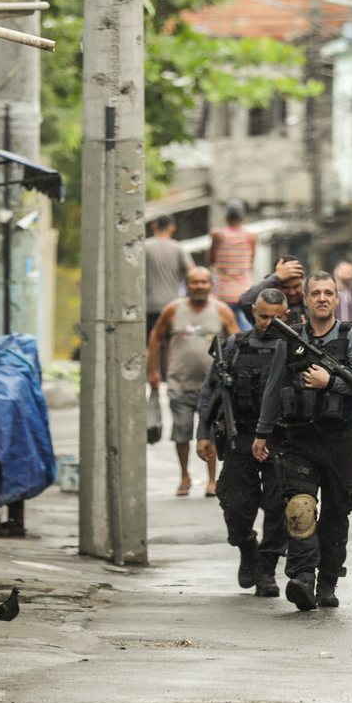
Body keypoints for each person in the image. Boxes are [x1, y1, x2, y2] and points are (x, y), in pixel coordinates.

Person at [252, 271, 352, 612]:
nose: (322, 298)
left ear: (337, 299)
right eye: (316, 293)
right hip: (298, 441)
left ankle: (328, 581)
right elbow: (274, 391)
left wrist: (330, 381)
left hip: (340, 441)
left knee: (337, 514)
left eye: (328, 293)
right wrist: (262, 435)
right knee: (300, 509)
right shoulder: (288, 340)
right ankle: (303, 578)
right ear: (304, 299)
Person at [196, 289, 292, 596]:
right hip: (240, 436)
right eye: (264, 316)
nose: (269, 322)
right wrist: (203, 433)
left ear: (287, 315)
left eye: (276, 317)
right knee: (235, 505)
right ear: (253, 312)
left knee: (278, 508)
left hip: (280, 439)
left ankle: (267, 570)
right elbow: (210, 393)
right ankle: (246, 545)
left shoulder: (293, 346)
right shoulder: (235, 346)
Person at [148, 266, 239, 497]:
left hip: (214, 387)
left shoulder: (222, 310)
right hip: (179, 383)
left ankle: (212, 480)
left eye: (204, 282)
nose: (200, 286)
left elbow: (237, 342)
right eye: (195, 282)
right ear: (186, 286)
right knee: (182, 433)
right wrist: (153, 372)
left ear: (211, 285)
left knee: (211, 434)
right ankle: (184, 476)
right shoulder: (172, 310)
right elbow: (155, 338)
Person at [145, 214, 192, 375]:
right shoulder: (178, 248)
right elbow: (192, 271)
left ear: (153, 226)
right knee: (170, 343)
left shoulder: (144, 247)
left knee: (151, 343)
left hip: (148, 304)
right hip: (172, 304)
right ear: (173, 228)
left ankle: (151, 375)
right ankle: (169, 378)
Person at [210, 200, 257, 329]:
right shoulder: (250, 237)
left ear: (225, 218)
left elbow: (210, 260)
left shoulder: (218, 234)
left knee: (225, 329)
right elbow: (250, 263)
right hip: (245, 291)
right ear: (243, 218)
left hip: (223, 292)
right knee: (245, 329)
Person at [237, 255, 306, 327]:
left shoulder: (311, 302)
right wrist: (276, 277)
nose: (292, 293)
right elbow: (245, 302)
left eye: (296, 286)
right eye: (285, 288)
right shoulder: (265, 305)